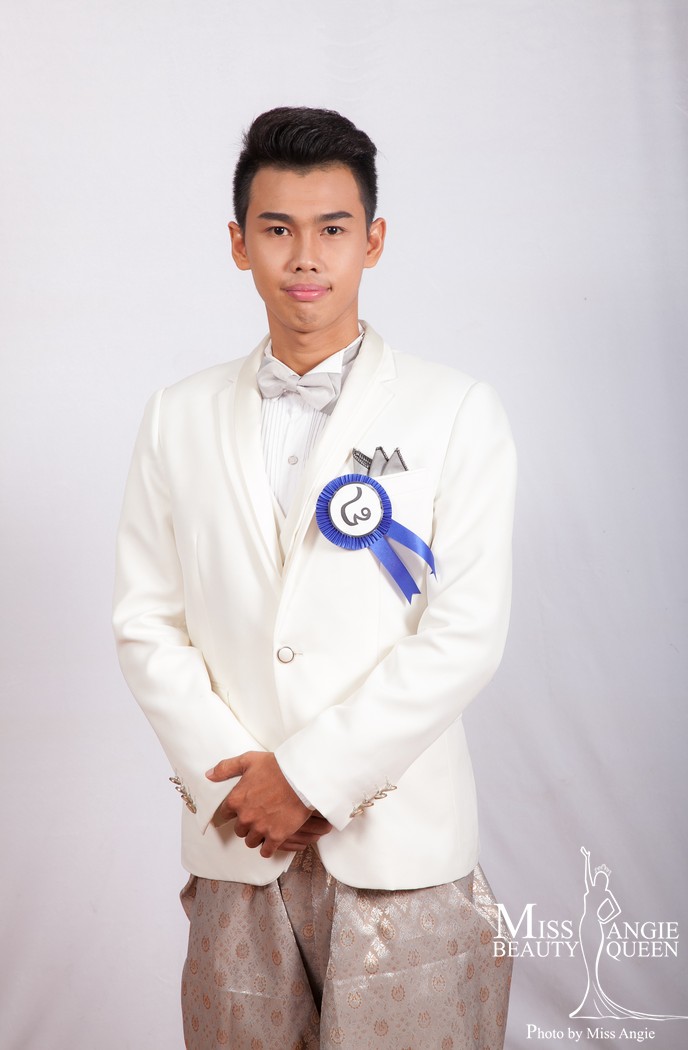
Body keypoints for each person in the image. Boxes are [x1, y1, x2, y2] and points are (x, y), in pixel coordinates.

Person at [113, 106, 517, 1050]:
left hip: (402, 854)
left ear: (373, 241)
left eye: (333, 229)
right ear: (238, 244)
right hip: (238, 844)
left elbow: (465, 633)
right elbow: (146, 621)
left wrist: (311, 776)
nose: (305, 256)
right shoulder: (176, 415)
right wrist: (240, 783)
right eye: (277, 229)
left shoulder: (457, 410)